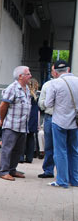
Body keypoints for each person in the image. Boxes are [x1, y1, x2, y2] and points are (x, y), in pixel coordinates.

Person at [43, 59, 78, 188]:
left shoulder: (55, 84)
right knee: (74, 151)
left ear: (56, 72)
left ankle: (62, 180)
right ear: (68, 69)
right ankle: (75, 179)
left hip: (59, 121)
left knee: (60, 151)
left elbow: (48, 104)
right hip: (75, 122)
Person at [0, 66, 32, 181]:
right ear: (20, 76)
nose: (30, 75)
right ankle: (3, 171)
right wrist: (2, 120)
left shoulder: (26, 88)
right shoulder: (12, 88)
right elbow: (3, 105)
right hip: (12, 125)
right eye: (28, 74)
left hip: (22, 126)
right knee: (7, 149)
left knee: (18, 150)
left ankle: (12, 169)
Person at [37, 66, 58, 178]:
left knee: (64, 147)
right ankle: (49, 170)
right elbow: (41, 103)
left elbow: (42, 103)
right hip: (50, 117)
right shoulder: (47, 85)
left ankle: (63, 172)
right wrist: (47, 104)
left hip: (60, 117)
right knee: (49, 145)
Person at [20, 78, 40, 163]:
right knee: (31, 137)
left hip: (26, 116)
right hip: (33, 118)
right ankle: (29, 157)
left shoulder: (26, 94)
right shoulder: (36, 96)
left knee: (21, 138)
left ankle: (20, 157)